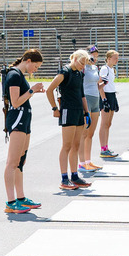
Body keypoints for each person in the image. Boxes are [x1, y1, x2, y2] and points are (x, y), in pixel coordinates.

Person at [1, 48, 45, 214]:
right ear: (28, 61)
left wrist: (32, 91)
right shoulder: (14, 75)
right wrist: (32, 90)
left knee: (20, 161)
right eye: (36, 66)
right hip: (17, 118)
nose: (36, 70)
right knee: (12, 162)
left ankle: (20, 198)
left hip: (24, 118)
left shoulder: (19, 75)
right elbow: (15, 101)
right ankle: (11, 202)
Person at [46, 49, 92, 191]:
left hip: (78, 111)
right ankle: (64, 178)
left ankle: (74, 176)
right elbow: (49, 90)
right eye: (81, 63)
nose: (83, 66)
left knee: (76, 145)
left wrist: (86, 112)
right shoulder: (65, 72)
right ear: (75, 59)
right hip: (67, 111)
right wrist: (55, 108)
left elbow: (82, 94)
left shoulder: (79, 73)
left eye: (85, 64)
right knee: (67, 145)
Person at [79, 45, 103, 173]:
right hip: (86, 98)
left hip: (95, 98)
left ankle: (88, 161)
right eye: (92, 55)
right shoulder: (82, 67)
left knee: (90, 134)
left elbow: (96, 83)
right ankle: (82, 163)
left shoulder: (94, 68)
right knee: (84, 132)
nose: (94, 57)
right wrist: (85, 62)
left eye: (96, 55)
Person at [98, 49, 121, 158]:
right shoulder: (104, 68)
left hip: (112, 95)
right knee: (104, 123)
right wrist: (104, 99)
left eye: (117, 58)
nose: (117, 60)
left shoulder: (112, 69)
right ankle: (103, 149)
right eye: (115, 58)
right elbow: (100, 84)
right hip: (106, 96)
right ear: (108, 58)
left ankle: (106, 147)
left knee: (108, 124)